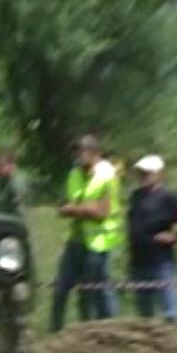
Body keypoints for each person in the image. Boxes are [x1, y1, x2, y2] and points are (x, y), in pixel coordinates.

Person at [49, 134, 123, 333]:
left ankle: (110, 331)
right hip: (76, 239)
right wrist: (82, 208)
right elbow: (63, 205)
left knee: (98, 291)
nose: (78, 155)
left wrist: (74, 209)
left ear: (95, 153)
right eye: (76, 151)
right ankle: (60, 333)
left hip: (100, 242)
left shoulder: (107, 175)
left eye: (83, 151)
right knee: (62, 289)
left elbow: (101, 212)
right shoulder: (74, 174)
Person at [125, 155, 177, 324]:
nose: (143, 176)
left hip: (161, 264)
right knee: (143, 318)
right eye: (140, 173)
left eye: (147, 173)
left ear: (159, 174)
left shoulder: (168, 196)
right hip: (138, 263)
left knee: (171, 314)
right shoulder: (135, 196)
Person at [0, 150, 30, 218]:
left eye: (1, 166)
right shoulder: (6, 182)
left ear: (11, 165)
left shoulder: (16, 183)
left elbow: (19, 211)